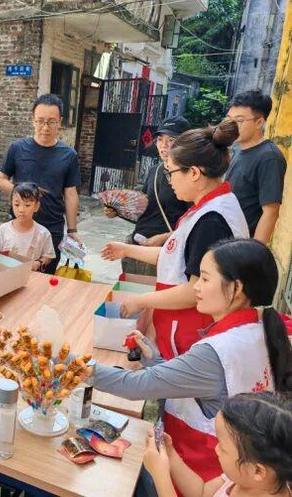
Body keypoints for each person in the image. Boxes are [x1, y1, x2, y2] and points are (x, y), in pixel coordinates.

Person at [94, 238, 292, 482]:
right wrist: (155, 360)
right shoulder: (262, 325)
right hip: (232, 469)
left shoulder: (216, 351)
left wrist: (74, 367)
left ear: (236, 288)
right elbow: (206, 387)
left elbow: (135, 386)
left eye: (205, 279)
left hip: (196, 471)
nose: (196, 287)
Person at [101, 120, 249, 360]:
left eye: (171, 172)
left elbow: (194, 292)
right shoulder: (208, 208)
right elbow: (177, 257)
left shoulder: (212, 221)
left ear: (194, 173)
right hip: (181, 334)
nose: (169, 180)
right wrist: (126, 250)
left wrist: (141, 300)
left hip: (192, 338)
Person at [0, 94, 82, 274]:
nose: (45, 127)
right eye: (40, 121)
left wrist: (72, 229)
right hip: (19, 226)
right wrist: (25, 193)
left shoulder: (69, 155)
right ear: (32, 120)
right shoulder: (17, 148)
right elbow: (1, 181)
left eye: (51, 122)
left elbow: (70, 194)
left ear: (60, 122)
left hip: (52, 227)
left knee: (44, 279)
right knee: (12, 276)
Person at [144, 392, 291, 497]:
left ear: (257, 471)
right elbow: (201, 492)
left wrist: (160, 475)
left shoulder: (243, 475)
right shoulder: (240, 477)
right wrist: (171, 454)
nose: (216, 449)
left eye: (223, 447)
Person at [105, 116, 192, 277]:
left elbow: (194, 224)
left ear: (185, 143)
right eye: (160, 139)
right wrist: (118, 211)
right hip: (137, 246)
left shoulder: (191, 176)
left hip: (165, 253)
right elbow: (146, 209)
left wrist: (163, 238)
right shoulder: (155, 171)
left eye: (171, 140)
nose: (164, 145)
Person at [225, 90, 286, 243]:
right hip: (224, 238)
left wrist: (254, 250)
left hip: (241, 244)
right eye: (229, 119)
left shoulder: (269, 157)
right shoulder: (237, 148)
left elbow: (271, 212)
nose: (231, 126)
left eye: (239, 121)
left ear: (259, 122)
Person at [0, 182, 55, 272]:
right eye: (17, 205)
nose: (21, 210)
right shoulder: (4, 229)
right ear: (11, 204)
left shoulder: (43, 233)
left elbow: (48, 255)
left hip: (31, 275)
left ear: (36, 206)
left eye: (27, 205)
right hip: (6, 274)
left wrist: (39, 263)